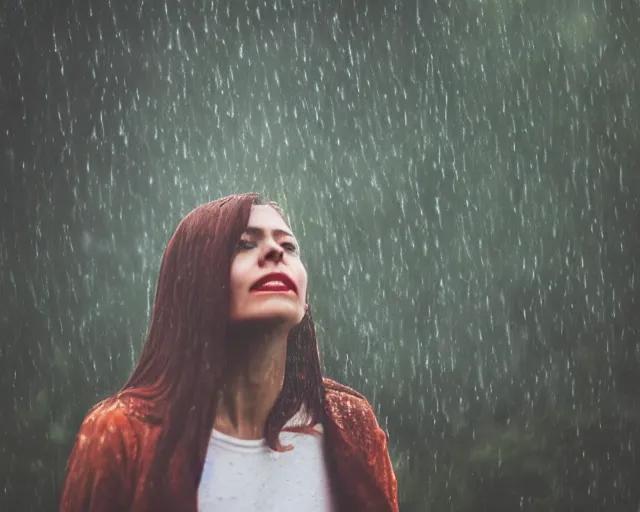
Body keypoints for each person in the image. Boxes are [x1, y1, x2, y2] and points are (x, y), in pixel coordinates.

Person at [60, 193, 398, 512]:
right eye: (245, 244)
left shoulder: (350, 425)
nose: (275, 253)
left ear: (305, 300)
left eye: (289, 246)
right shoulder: (122, 434)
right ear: (195, 280)